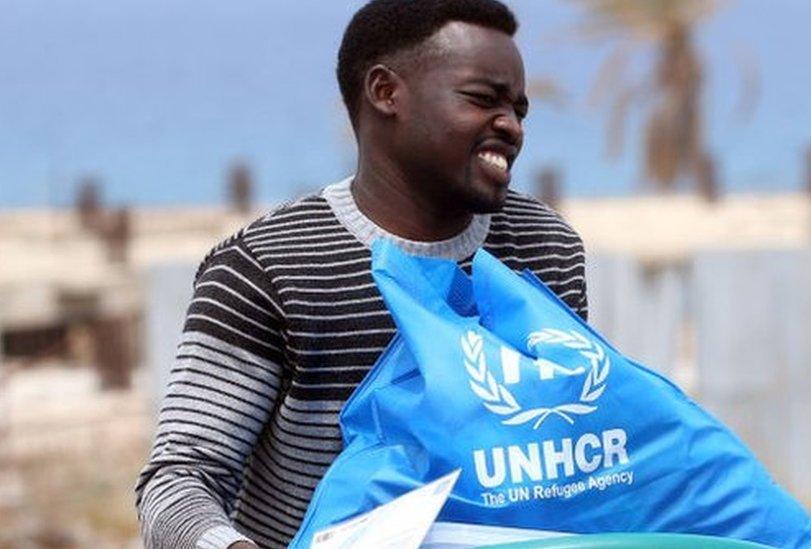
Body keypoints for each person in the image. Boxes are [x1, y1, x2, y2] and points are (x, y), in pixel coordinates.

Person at [135, 1, 588, 547]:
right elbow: (181, 479)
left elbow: (572, 443)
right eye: (482, 100)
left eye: (520, 109)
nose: (511, 126)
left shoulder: (545, 247)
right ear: (385, 92)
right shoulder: (267, 269)